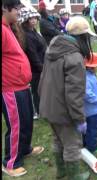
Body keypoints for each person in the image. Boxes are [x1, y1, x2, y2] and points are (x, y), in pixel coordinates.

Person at [38, 16, 96, 179]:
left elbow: (43, 79)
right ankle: (73, 176)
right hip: (64, 112)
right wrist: (79, 119)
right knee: (72, 145)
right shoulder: (74, 57)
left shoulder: (53, 49)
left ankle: (61, 171)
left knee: (58, 140)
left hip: (49, 107)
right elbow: (74, 94)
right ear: (82, 37)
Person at [2, 0, 44, 177]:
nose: (19, 12)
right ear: (5, 8)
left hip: (22, 85)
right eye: (17, 9)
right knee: (17, 125)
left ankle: (24, 148)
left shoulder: (9, 27)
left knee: (27, 120)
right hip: (10, 88)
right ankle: (10, 162)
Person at [19, 7, 47, 120]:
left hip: (42, 65)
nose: (34, 20)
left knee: (42, 90)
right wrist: (42, 68)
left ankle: (43, 109)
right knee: (37, 91)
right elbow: (33, 55)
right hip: (36, 69)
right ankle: (38, 112)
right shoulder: (27, 35)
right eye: (31, 18)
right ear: (26, 20)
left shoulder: (34, 31)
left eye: (35, 18)